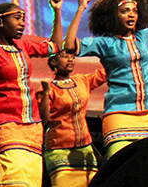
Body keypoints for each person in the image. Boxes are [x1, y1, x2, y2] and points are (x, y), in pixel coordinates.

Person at [63, 0, 148, 158]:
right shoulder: (105, 43)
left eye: (134, 11)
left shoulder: (145, 36)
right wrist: (80, 9)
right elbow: (70, 45)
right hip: (119, 113)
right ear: (114, 16)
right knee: (118, 166)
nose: (131, 15)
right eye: (125, 11)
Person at [0, 0, 63, 187]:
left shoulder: (22, 46)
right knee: (15, 178)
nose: (22, 23)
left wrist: (57, 12)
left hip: (32, 125)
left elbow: (55, 47)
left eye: (23, 18)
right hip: (6, 122)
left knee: (32, 180)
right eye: (17, 18)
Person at [38, 50, 107, 187]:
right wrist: (45, 94)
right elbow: (43, 120)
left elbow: (105, 74)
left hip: (84, 149)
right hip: (58, 150)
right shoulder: (48, 88)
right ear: (53, 62)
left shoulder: (82, 80)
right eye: (65, 57)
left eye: (72, 57)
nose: (70, 60)